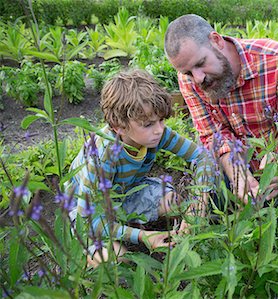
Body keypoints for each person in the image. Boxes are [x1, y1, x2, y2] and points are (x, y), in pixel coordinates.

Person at [67, 69, 211, 267]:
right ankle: (86, 248)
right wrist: (143, 236)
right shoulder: (102, 156)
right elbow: (90, 221)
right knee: (117, 259)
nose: (159, 129)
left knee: (175, 203)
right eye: (148, 124)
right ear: (119, 126)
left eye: (161, 120)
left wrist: (199, 202)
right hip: (85, 211)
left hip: (124, 194)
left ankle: (124, 225)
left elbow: (202, 156)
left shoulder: (157, 134)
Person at [164, 14, 278, 204]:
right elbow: (212, 134)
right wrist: (237, 172)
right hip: (235, 166)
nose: (198, 78)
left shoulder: (277, 61)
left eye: (200, 64)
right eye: (188, 72)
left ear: (216, 41)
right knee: (215, 204)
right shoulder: (189, 81)